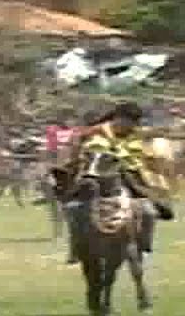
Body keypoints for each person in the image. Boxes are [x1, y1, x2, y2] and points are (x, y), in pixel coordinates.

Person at [56, 101, 174, 263]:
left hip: (129, 177)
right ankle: (75, 247)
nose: (128, 126)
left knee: (148, 211)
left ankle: (144, 244)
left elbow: (157, 140)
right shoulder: (97, 131)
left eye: (133, 123)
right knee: (73, 209)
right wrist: (76, 160)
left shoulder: (137, 134)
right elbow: (77, 144)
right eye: (126, 121)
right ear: (117, 118)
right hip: (95, 175)